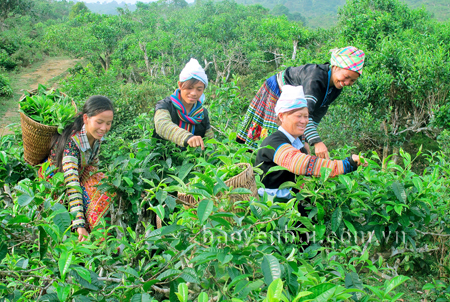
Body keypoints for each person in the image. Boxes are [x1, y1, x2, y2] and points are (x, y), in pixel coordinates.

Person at [238, 46, 365, 159]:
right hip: (277, 91)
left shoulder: (336, 87)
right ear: (336, 67)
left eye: (352, 81)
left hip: (295, 104)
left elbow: (314, 115)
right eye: (346, 77)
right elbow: (305, 114)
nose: (347, 83)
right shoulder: (315, 79)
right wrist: (316, 142)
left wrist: (305, 140)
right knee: (274, 137)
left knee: (298, 141)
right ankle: (259, 165)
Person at [255, 85, 365, 202]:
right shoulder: (273, 142)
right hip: (270, 207)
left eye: (306, 116)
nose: (304, 121)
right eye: (299, 116)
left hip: (290, 203)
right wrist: (347, 164)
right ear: (281, 116)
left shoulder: (298, 145)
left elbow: (311, 171)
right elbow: (301, 164)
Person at [39, 95, 114, 242]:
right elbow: (71, 184)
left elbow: (94, 167)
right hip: (57, 182)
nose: (104, 128)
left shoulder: (96, 138)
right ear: (86, 118)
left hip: (78, 176)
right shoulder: (71, 144)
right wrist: (79, 223)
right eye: (99, 122)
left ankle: (102, 236)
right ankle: (93, 238)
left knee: (103, 184)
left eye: (108, 123)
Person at [153, 58, 213, 150]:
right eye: (189, 88)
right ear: (180, 85)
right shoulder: (165, 106)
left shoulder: (202, 113)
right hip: (164, 160)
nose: (194, 93)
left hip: (191, 162)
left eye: (199, 89)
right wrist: (187, 137)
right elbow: (162, 125)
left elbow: (210, 140)